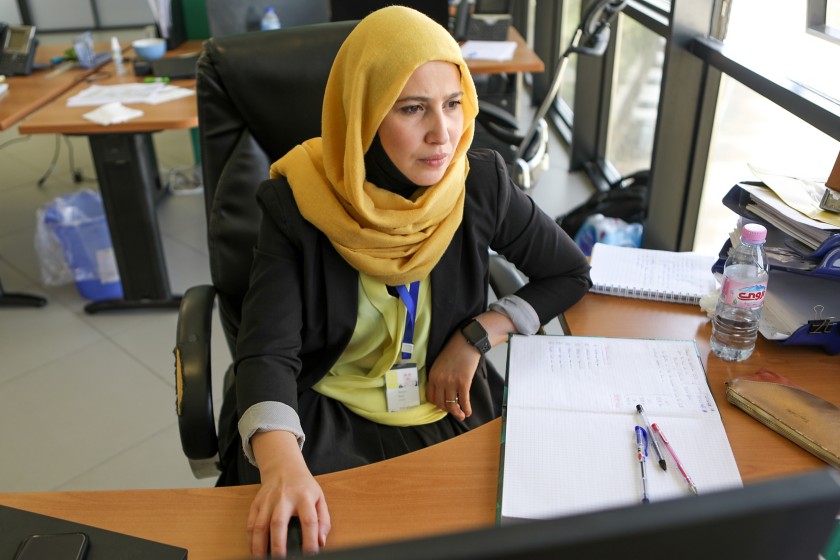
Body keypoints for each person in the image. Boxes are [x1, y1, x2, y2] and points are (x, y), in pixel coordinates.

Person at [222, 6, 591, 557]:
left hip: (446, 403)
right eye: (412, 109)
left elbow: (568, 271)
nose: (443, 135)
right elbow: (267, 353)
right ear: (365, 115)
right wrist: (282, 465)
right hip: (328, 412)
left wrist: (480, 334)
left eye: (452, 104)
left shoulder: (479, 180)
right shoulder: (297, 202)